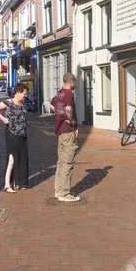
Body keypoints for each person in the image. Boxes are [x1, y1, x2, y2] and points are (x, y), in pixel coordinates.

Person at [0, 82, 30, 193]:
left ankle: (19, 182)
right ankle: (7, 184)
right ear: (18, 92)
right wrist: (3, 119)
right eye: (24, 93)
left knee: (22, 157)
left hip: (22, 133)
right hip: (12, 133)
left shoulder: (23, 104)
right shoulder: (8, 102)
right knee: (12, 158)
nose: (25, 96)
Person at [50, 72, 80, 202]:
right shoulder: (68, 94)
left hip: (60, 131)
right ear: (72, 81)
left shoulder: (59, 93)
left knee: (61, 161)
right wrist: (71, 120)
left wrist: (59, 116)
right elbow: (68, 109)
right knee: (68, 161)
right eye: (75, 82)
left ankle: (58, 190)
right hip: (68, 131)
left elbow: (52, 104)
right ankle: (64, 193)